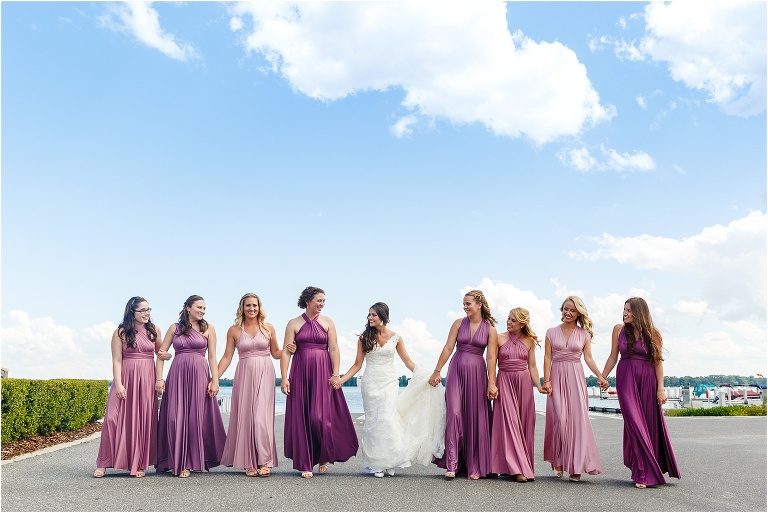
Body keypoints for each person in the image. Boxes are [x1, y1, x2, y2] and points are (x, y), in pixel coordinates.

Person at [330, 302, 446, 477]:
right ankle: (376, 463)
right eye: (369, 315)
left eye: (374, 315)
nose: (370, 318)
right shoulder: (363, 338)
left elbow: (408, 362)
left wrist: (426, 375)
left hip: (389, 382)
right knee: (374, 421)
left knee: (388, 418)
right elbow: (357, 365)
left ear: (383, 317)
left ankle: (390, 460)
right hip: (370, 382)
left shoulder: (396, 338)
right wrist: (341, 379)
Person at [600, 297, 681, 488]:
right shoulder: (618, 329)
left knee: (649, 424)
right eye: (624, 309)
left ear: (639, 312)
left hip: (648, 380)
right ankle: (643, 471)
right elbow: (613, 356)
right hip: (626, 379)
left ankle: (644, 470)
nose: (625, 313)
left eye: (629, 310)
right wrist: (603, 376)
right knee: (634, 424)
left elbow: (658, 362)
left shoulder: (653, 333)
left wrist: (660, 388)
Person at [280, 286, 359, 478]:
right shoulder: (293, 323)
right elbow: (285, 351)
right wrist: (284, 378)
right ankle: (306, 463)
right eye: (319, 300)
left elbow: (334, 349)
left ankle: (324, 455)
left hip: (323, 374)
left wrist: (336, 374)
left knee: (319, 418)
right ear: (308, 301)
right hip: (300, 373)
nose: (322, 304)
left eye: (324, 301)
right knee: (302, 417)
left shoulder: (328, 322)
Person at [217, 293, 295, 477]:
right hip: (244, 374)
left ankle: (264, 461)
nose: (252, 308)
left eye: (255, 305)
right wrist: (214, 378)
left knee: (261, 418)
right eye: (248, 305)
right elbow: (227, 357)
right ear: (242, 308)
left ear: (259, 307)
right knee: (245, 418)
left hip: (265, 373)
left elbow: (276, 352)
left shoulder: (268, 328)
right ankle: (248, 462)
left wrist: (288, 349)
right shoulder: (234, 330)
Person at [429, 290, 498, 480]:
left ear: (479, 305)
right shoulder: (458, 323)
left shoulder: (490, 329)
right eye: (464, 304)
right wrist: (437, 370)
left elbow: (491, 357)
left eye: (468, 303)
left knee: (475, 417)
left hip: (477, 373)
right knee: (454, 414)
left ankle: (475, 465)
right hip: (456, 370)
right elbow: (448, 347)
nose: (465, 307)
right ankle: (452, 463)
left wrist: (491, 382)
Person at [94, 296, 166, 478]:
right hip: (126, 377)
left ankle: (139, 462)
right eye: (142, 310)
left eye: (149, 309)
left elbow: (160, 353)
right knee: (112, 419)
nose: (147, 313)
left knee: (142, 421)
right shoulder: (121, 332)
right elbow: (117, 360)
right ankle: (104, 462)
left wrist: (161, 374)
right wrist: (118, 384)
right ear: (131, 312)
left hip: (147, 378)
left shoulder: (154, 330)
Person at [155, 295, 226, 477]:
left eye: (204, 308)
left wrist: (215, 380)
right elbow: (161, 354)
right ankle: (174, 460)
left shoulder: (208, 329)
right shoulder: (175, 328)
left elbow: (212, 357)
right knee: (173, 418)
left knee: (196, 419)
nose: (202, 311)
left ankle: (188, 462)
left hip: (200, 376)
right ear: (188, 308)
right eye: (199, 307)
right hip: (177, 376)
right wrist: (159, 378)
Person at [542, 295, 608, 482]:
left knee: (577, 422)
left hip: (576, 377)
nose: (567, 313)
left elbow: (588, 358)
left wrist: (600, 376)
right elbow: (547, 357)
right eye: (565, 309)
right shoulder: (550, 332)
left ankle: (576, 467)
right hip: (556, 377)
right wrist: (546, 380)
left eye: (572, 310)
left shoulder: (584, 334)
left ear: (578, 312)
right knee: (560, 420)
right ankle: (559, 460)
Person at [487, 307, 544, 482]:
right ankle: (518, 469)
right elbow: (491, 359)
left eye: (513, 320)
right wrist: (491, 383)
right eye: (508, 319)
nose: (509, 322)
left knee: (524, 424)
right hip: (504, 381)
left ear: (522, 323)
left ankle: (520, 465)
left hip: (524, 383)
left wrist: (540, 386)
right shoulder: (498, 337)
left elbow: (532, 366)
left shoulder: (529, 340)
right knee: (509, 424)